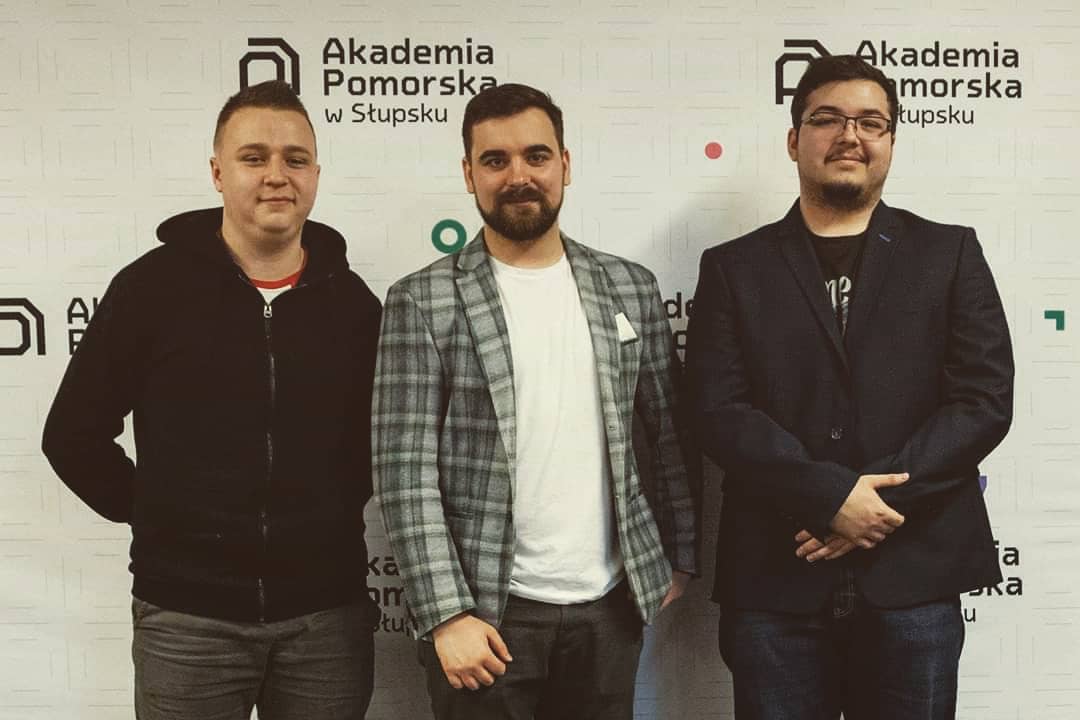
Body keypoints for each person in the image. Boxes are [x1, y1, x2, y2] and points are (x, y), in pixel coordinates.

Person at [685, 55, 1014, 719]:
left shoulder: (949, 253)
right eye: (827, 119)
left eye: (871, 122)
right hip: (776, 583)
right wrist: (829, 496)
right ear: (794, 139)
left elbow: (983, 400)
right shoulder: (732, 268)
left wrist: (871, 505)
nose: (850, 136)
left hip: (915, 574)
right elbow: (716, 410)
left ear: (891, 141)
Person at [42, 80, 381, 719]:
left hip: (326, 622)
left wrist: (328, 516)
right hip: (188, 623)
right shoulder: (150, 289)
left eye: (296, 159)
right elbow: (72, 435)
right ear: (218, 173)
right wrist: (159, 515)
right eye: (254, 157)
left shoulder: (355, 305)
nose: (277, 175)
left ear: (315, 174)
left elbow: (381, 445)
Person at [372, 83, 696, 720]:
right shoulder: (423, 300)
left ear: (565, 165)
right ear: (469, 174)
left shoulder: (630, 287)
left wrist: (677, 558)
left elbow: (667, 434)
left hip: (610, 609)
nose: (518, 176)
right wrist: (446, 614)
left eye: (536, 156)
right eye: (495, 160)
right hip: (486, 618)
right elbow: (403, 473)